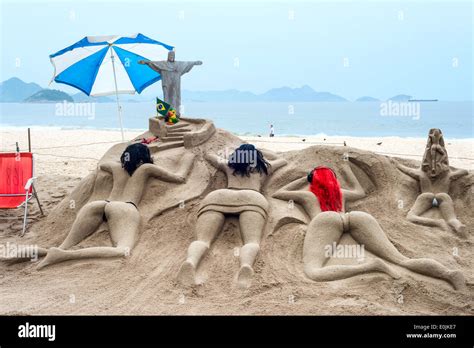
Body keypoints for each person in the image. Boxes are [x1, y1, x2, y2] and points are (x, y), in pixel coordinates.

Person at [272, 161, 466, 290]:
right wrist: (347, 169)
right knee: (401, 259)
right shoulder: (341, 193)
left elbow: (279, 192)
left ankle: (371, 266)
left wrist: (306, 179)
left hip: (326, 220)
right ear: (333, 180)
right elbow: (361, 190)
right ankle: (448, 274)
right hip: (355, 217)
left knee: (313, 272)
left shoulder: (307, 195)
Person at [33, 143, 195, 269]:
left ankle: (47, 252)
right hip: (124, 208)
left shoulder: (116, 167)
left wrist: (125, 160)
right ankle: (63, 256)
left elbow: (102, 165)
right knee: (122, 250)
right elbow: (179, 178)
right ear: (142, 159)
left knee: (64, 245)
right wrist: (189, 157)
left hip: (99, 204)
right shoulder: (146, 168)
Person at [178, 144, 287, 288]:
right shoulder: (264, 168)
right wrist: (262, 152)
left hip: (219, 197)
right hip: (251, 198)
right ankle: (246, 266)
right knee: (251, 241)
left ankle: (191, 262)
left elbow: (209, 156)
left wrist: (231, 154)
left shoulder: (229, 165)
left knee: (203, 240)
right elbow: (283, 160)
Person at [395, 128, 468, 235]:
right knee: (452, 219)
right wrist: (452, 170)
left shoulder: (421, 173)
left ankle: (437, 223)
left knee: (410, 217)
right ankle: (457, 226)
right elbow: (464, 171)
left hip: (426, 196)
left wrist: (396, 164)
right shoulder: (449, 175)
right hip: (443, 196)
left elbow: (406, 170)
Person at [139, 51, 202, 116]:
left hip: (175, 84)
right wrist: (146, 62)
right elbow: (154, 63)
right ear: (168, 56)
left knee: (175, 97)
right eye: (170, 56)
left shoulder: (178, 64)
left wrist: (195, 63)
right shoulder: (163, 64)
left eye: (173, 56)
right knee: (167, 97)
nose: (171, 57)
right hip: (166, 83)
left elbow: (187, 63)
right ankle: (167, 113)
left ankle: (176, 113)